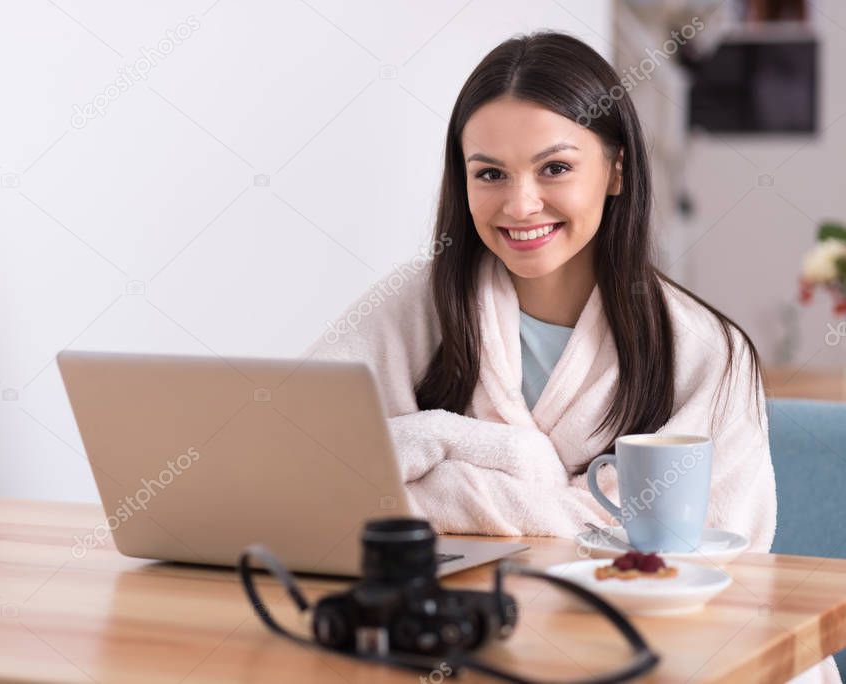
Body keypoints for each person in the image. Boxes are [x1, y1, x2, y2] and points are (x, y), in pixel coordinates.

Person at [303, 32, 839, 684]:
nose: (519, 204)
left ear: (615, 169)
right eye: (489, 173)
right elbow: (303, 463)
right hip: (462, 649)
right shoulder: (408, 307)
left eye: (554, 168)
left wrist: (426, 475)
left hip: (662, 656)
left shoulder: (705, 353)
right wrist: (532, 495)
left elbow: (698, 556)